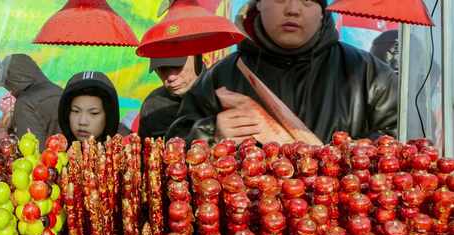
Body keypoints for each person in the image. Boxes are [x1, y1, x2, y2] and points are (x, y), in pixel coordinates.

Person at [167, 0, 398, 145]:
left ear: (322, 11)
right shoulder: (222, 76)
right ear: (258, 4)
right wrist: (211, 133)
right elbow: (176, 142)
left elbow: (400, 140)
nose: (293, 9)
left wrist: (353, 154)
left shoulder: (367, 74)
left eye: (307, 1)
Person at [2, 54, 62, 148]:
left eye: (8, 86)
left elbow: (31, 150)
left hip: (45, 160)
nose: (11, 92)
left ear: (13, 81)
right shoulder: (59, 91)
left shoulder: (25, 103)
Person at [138, 55, 203, 138]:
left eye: (177, 66)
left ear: (196, 58)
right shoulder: (152, 105)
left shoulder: (220, 92)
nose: (171, 77)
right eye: (162, 69)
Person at [58, 71, 120, 143]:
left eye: (94, 113)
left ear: (109, 116)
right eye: (76, 111)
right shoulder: (52, 152)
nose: (82, 122)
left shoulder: (127, 152)